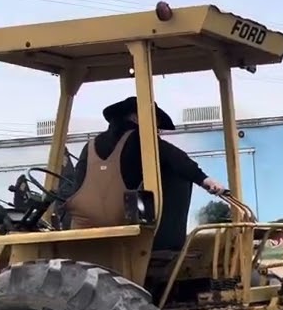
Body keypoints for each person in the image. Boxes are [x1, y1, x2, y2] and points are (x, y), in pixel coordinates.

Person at [60, 96, 225, 252]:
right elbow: (179, 160)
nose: (157, 130)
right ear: (137, 118)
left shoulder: (89, 146)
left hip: (84, 227)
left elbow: (78, 185)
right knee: (175, 174)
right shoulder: (142, 141)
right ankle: (169, 248)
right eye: (155, 123)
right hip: (128, 228)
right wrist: (206, 180)